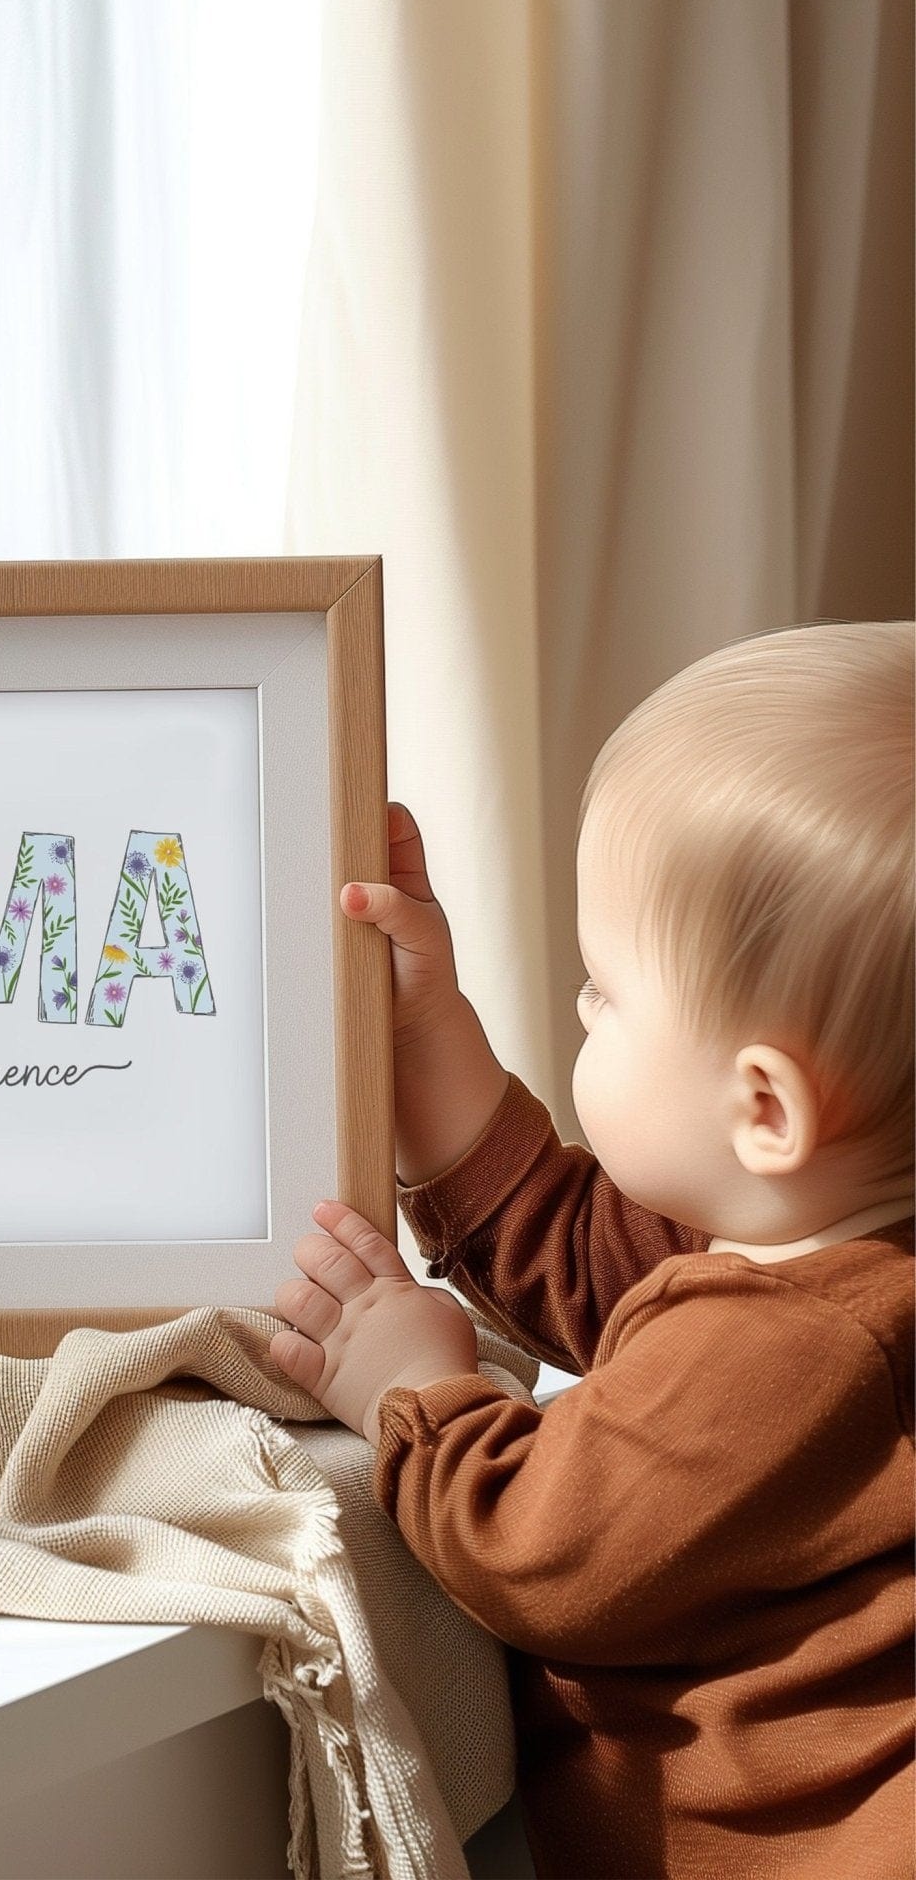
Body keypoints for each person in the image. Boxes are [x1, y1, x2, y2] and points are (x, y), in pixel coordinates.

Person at [268, 622, 914, 1877]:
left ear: (764, 1108)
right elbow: (571, 1247)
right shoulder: (823, 1250)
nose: (578, 1006)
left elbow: (540, 1545)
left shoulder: (797, 1349)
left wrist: (419, 1387)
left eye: (603, 991)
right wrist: (425, 1025)